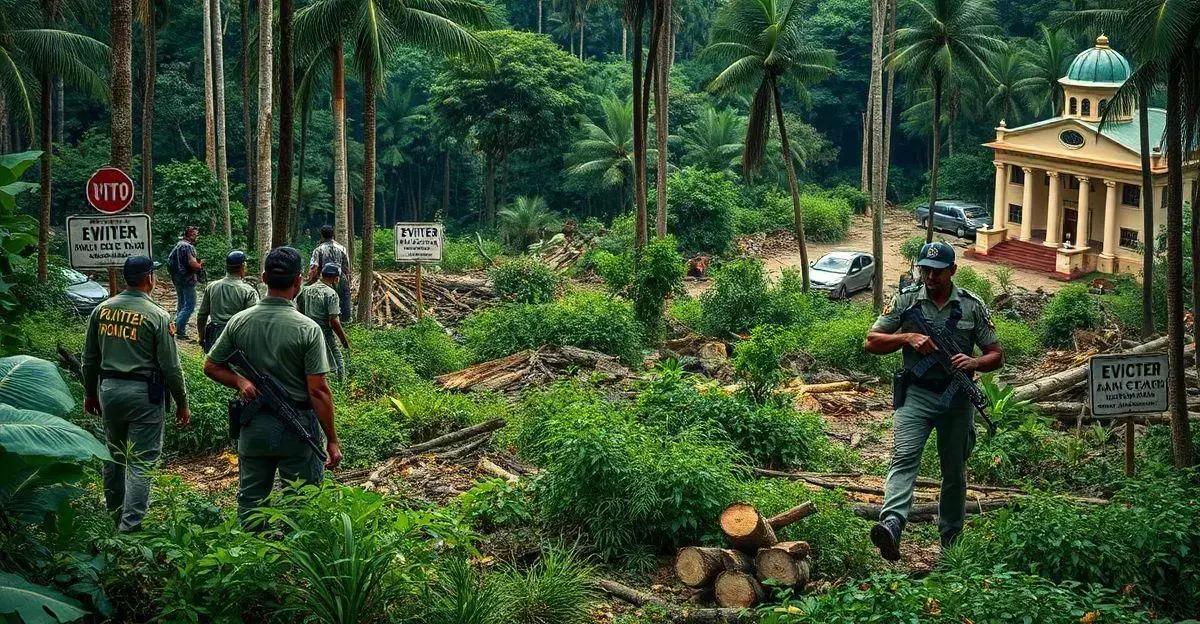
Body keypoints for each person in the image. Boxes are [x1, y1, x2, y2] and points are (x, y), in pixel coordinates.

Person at [862, 241, 1004, 560]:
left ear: (952, 271)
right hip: (916, 394)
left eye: (937, 272)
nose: (929, 277)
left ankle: (951, 542)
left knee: (954, 471)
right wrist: (907, 337)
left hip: (956, 401)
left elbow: (996, 354)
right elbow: (871, 341)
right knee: (904, 456)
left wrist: (974, 362)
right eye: (925, 270)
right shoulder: (907, 299)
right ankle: (892, 524)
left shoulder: (971, 305)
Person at [203, 246, 342, 526]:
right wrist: (332, 440)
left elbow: (211, 365)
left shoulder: (238, 322)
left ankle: (252, 560)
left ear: (264, 277)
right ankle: (296, 563)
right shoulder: (307, 329)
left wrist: (239, 380)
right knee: (302, 504)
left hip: (253, 428)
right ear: (299, 281)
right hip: (298, 429)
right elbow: (318, 390)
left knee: (251, 503)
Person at [82, 256, 190, 532]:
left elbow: (89, 358)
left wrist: (90, 393)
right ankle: (130, 527)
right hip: (144, 394)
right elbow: (171, 366)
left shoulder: (102, 309)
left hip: (109, 391)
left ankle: (114, 515)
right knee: (141, 462)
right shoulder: (157, 315)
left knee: (114, 455)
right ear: (149, 279)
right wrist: (182, 403)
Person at [196, 250, 259, 352]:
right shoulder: (248, 291)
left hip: (214, 336)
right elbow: (253, 321)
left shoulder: (212, 286)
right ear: (243, 266)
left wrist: (201, 337)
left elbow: (202, 315)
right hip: (236, 337)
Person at [297, 262, 350, 380]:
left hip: (305, 331)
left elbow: (299, 310)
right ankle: (341, 385)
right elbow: (334, 321)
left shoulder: (305, 290)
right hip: (324, 332)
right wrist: (344, 341)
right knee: (337, 360)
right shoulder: (331, 294)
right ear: (336, 278)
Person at [307, 225, 352, 322]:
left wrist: (310, 281)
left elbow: (314, 268)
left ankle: (326, 321)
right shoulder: (342, 248)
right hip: (339, 277)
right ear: (333, 235)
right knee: (344, 300)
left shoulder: (319, 249)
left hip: (325, 279)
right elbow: (346, 268)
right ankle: (345, 322)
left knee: (325, 302)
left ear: (322, 235)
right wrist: (347, 281)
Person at [167, 226, 204, 340]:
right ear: (190, 235)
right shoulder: (188, 247)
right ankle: (175, 327)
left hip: (177, 280)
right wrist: (200, 264)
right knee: (190, 305)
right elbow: (193, 264)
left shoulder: (178, 245)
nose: (196, 237)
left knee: (181, 304)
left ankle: (181, 332)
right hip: (187, 280)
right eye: (195, 235)